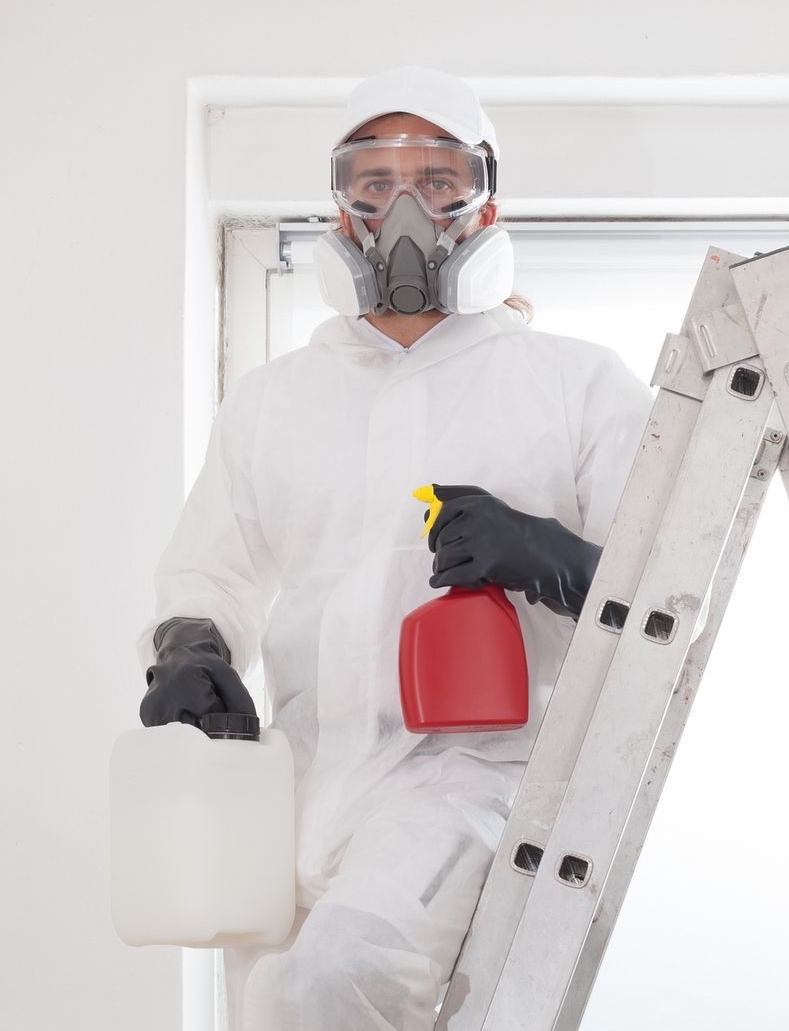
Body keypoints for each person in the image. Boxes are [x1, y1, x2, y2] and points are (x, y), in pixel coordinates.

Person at [135, 66, 652, 1030]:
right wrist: (190, 647)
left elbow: (667, 597)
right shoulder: (274, 400)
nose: (406, 205)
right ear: (339, 207)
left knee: (334, 981)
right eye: (374, 181)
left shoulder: (575, 386)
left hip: (466, 780)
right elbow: (213, 567)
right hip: (291, 786)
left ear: (484, 198)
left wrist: (554, 555)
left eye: (439, 177)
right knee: (270, 1012)